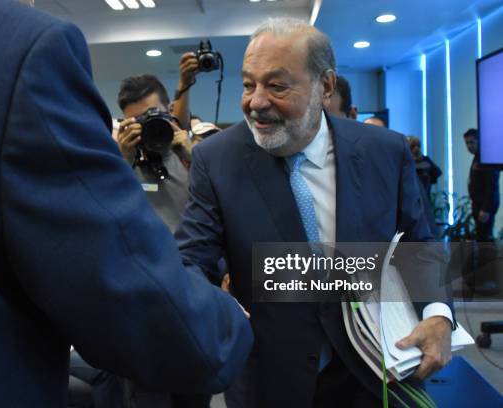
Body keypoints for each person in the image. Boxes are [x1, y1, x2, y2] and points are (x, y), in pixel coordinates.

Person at [0, 1, 253, 407]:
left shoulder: (200, 153)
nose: (256, 101)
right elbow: (113, 275)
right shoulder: (19, 50)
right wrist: (230, 319)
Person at [176, 18, 453, 407]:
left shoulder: (384, 152)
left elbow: (419, 243)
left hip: (377, 370)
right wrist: (212, 305)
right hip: (269, 379)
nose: (256, 101)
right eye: (248, 84)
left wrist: (439, 315)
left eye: (276, 85)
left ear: (324, 87)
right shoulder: (216, 159)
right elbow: (190, 259)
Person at [116, 74, 193, 231]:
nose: (148, 125)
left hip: (193, 251)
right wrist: (122, 162)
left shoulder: (191, 157)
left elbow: (226, 205)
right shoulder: (123, 165)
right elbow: (107, 211)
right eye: (139, 121)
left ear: (170, 110)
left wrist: (196, 160)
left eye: (152, 115)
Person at [463, 128, 500, 241]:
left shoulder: (486, 158)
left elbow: (491, 186)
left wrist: (486, 209)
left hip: (484, 206)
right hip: (478, 205)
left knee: (485, 240)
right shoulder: (477, 158)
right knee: (481, 238)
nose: (469, 146)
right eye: (467, 143)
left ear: (479, 141)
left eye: (472, 142)